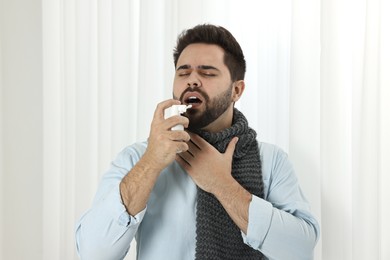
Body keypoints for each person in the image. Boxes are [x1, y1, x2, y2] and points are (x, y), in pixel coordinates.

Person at [75, 24, 319, 260]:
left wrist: (222, 184)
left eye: (207, 72)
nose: (192, 80)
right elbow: (93, 253)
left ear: (237, 90)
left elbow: (300, 251)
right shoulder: (137, 158)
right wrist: (150, 163)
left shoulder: (272, 160)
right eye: (183, 72)